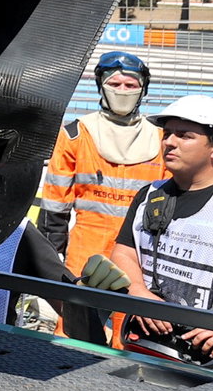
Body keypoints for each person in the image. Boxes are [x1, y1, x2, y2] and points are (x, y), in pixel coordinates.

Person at [108, 94, 213, 368]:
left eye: (184, 136)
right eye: (167, 133)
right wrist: (139, 292)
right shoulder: (149, 195)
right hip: (146, 347)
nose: (169, 142)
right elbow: (124, 252)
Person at [39, 51, 167, 279]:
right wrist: (51, 252)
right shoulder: (75, 134)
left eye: (130, 85)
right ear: (101, 86)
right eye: (114, 83)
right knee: (77, 312)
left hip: (140, 250)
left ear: (143, 90)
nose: (122, 90)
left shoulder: (161, 138)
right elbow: (55, 202)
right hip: (87, 247)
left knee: (132, 314)